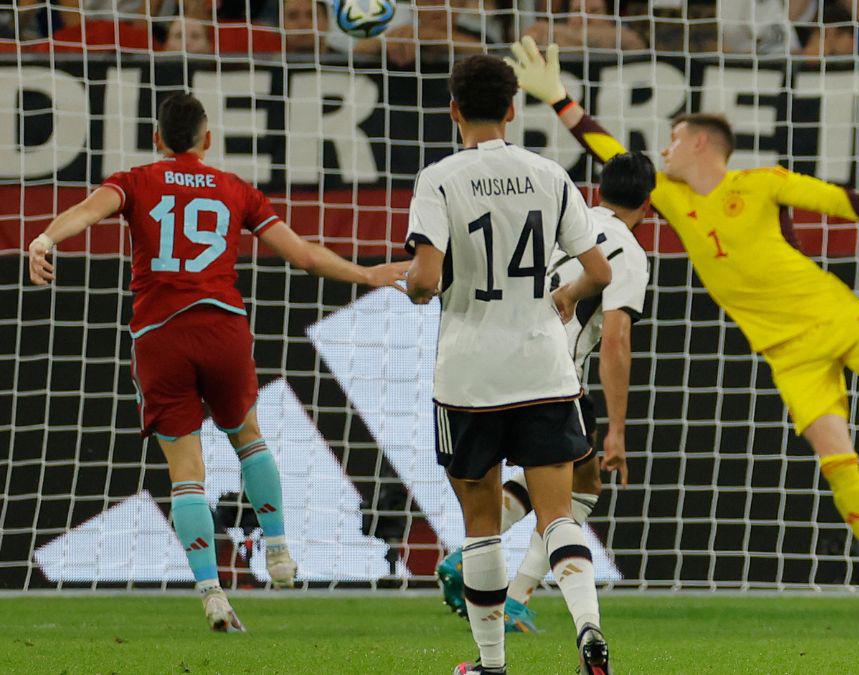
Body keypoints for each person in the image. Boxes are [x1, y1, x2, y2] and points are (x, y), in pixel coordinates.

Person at [504, 36, 859, 619]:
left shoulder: (759, 183)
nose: (664, 148)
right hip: (788, 354)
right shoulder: (673, 200)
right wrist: (559, 98)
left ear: (701, 142)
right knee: (839, 462)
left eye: (674, 137)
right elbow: (612, 155)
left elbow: (836, 198)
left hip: (837, 316)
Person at [26, 93, 407, 632]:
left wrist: (44, 236)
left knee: (187, 474)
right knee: (248, 437)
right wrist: (369, 275)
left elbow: (88, 212)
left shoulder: (134, 181)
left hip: (160, 337)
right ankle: (278, 552)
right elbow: (302, 256)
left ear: (156, 140)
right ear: (208, 141)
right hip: (222, 329)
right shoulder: (236, 189)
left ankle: (211, 593)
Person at [403, 54, 613, 674]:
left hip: (470, 376)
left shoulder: (439, 178)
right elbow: (598, 271)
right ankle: (590, 630)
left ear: (453, 110)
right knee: (556, 514)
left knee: (483, 527)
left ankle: (491, 665)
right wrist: (565, 299)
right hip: (544, 369)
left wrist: (412, 287)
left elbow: (424, 278)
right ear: (514, 109)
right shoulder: (549, 174)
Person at [436, 152, 655, 635]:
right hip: (556, 378)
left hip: (492, 362)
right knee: (572, 496)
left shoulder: (570, 220)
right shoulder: (628, 252)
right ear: (650, 204)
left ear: (599, 190)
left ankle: (483, 570)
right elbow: (616, 339)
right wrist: (618, 428)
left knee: (571, 483)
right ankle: (515, 595)